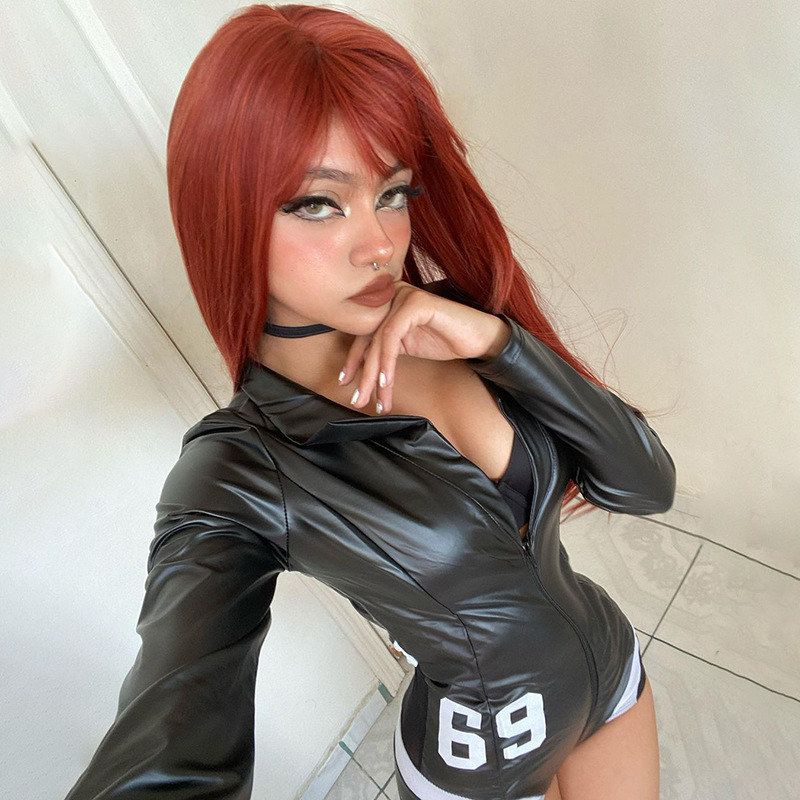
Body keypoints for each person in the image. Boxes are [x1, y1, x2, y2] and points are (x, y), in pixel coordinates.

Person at [63, 4, 676, 799]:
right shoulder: (241, 468)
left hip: (612, 674)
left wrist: (502, 343)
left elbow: (645, 485)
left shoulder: (453, 326)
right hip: (482, 764)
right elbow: (166, 748)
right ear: (226, 212)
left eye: (393, 192)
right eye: (319, 202)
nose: (380, 244)